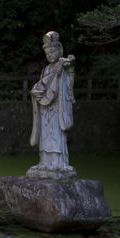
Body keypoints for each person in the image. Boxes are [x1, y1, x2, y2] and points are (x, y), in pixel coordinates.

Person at [27, 31, 76, 179]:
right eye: (47, 53)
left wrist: (70, 70)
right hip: (44, 106)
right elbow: (41, 86)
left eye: (52, 51)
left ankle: (56, 162)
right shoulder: (46, 70)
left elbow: (68, 87)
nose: (49, 55)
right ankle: (44, 161)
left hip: (57, 106)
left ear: (59, 51)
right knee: (44, 134)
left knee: (55, 134)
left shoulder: (64, 67)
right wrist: (35, 93)